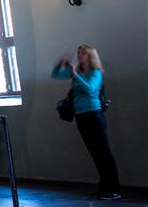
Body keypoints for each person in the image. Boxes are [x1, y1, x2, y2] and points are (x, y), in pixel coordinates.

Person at [52, 44, 121, 201]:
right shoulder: (78, 73)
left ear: (90, 56)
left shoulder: (95, 73)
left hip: (94, 115)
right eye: (78, 52)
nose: (79, 55)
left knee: (104, 153)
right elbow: (55, 74)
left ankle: (114, 189)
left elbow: (90, 89)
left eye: (83, 53)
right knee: (95, 153)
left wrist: (75, 75)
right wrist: (61, 64)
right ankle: (104, 187)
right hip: (81, 116)